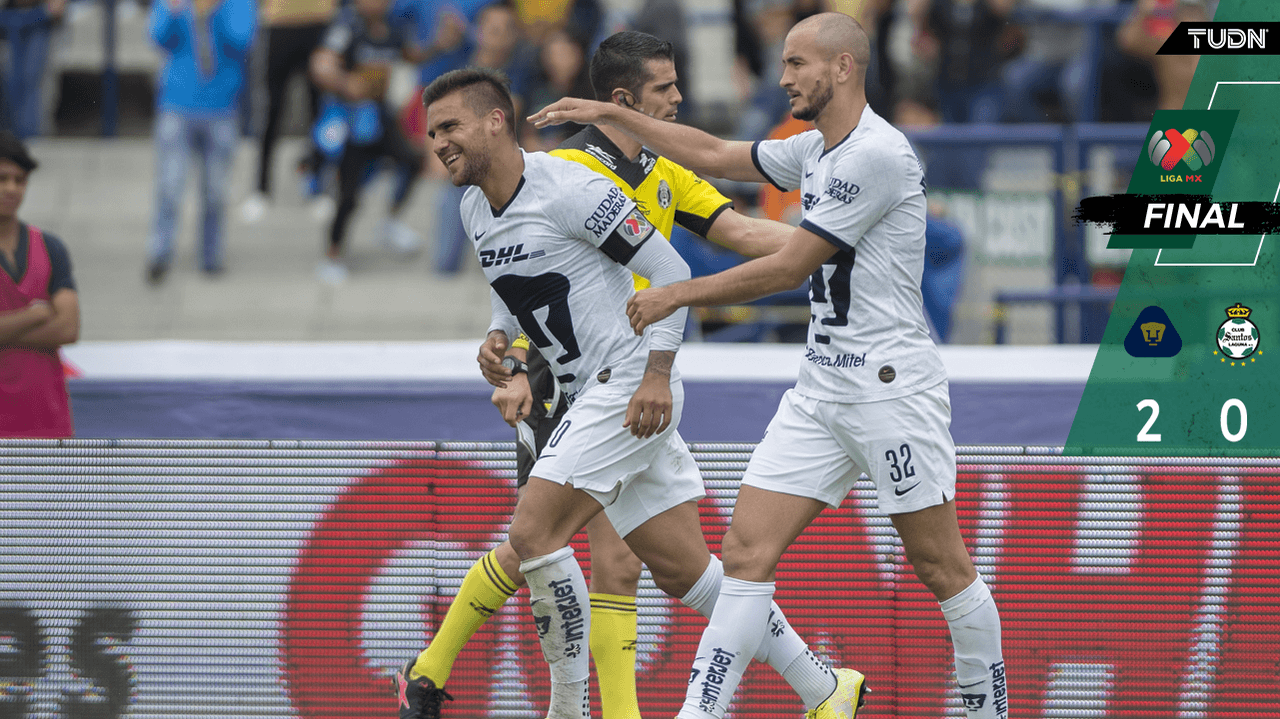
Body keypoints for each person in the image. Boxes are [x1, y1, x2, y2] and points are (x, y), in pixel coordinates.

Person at [532, 11, 1007, 719]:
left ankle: (987, 709)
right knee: (746, 552)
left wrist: (677, 292)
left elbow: (789, 266)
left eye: (796, 64)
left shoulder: (877, 154)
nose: (782, 76)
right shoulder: (815, 147)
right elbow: (716, 154)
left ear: (843, 68)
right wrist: (608, 111)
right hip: (820, 388)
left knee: (942, 566)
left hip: (889, 389)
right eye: (782, 63)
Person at [403, 66, 865, 719]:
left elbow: (670, 269)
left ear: (495, 121)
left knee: (533, 532)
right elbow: (509, 283)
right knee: (687, 573)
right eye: (432, 133)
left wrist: (654, 374)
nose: (439, 142)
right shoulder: (475, 205)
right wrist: (498, 338)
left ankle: (477, 686)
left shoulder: (570, 187)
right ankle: (825, 688)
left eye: (450, 127)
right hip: (594, 388)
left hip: (627, 382)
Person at [308, 0, 431, 283]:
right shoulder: (346, 27)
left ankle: (390, 220)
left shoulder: (394, 27)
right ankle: (333, 254)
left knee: (414, 160)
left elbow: (411, 56)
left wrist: (440, 43)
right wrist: (344, 82)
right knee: (349, 192)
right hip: (353, 119)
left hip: (381, 113)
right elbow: (321, 65)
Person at [146, 0, 257, 283]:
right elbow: (158, 38)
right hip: (176, 104)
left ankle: (211, 256)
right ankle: (160, 252)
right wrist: (174, 11)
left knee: (216, 190)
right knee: (170, 185)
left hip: (221, 107)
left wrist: (212, 12)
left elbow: (242, 42)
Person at [0, 131, 77, 437]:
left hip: (47, 420)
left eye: (20, 180)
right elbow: (56, 321)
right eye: (3, 178)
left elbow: (69, 328)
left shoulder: (49, 247)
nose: (11, 188)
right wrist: (35, 315)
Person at [238, 0, 338, 222]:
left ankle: (318, 188)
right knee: (271, 112)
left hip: (318, 22)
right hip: (279, 23)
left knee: (318, 111)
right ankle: (261, 189)